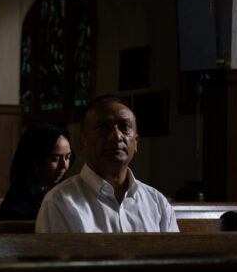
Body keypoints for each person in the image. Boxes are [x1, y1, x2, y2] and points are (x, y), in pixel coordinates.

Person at [36, 95, 178, 232]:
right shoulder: (60, 202)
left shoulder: (157, 203)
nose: (116, 136)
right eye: (103, 127)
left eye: (124, 127)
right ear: (82, 141)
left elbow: (173, 256)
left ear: (135, 142)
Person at [0, 123, 74, 220]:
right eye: (55, 159)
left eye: (68, 157)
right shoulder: (17, 204)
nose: (64, 166)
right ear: (37, 159)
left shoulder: (67, 190)